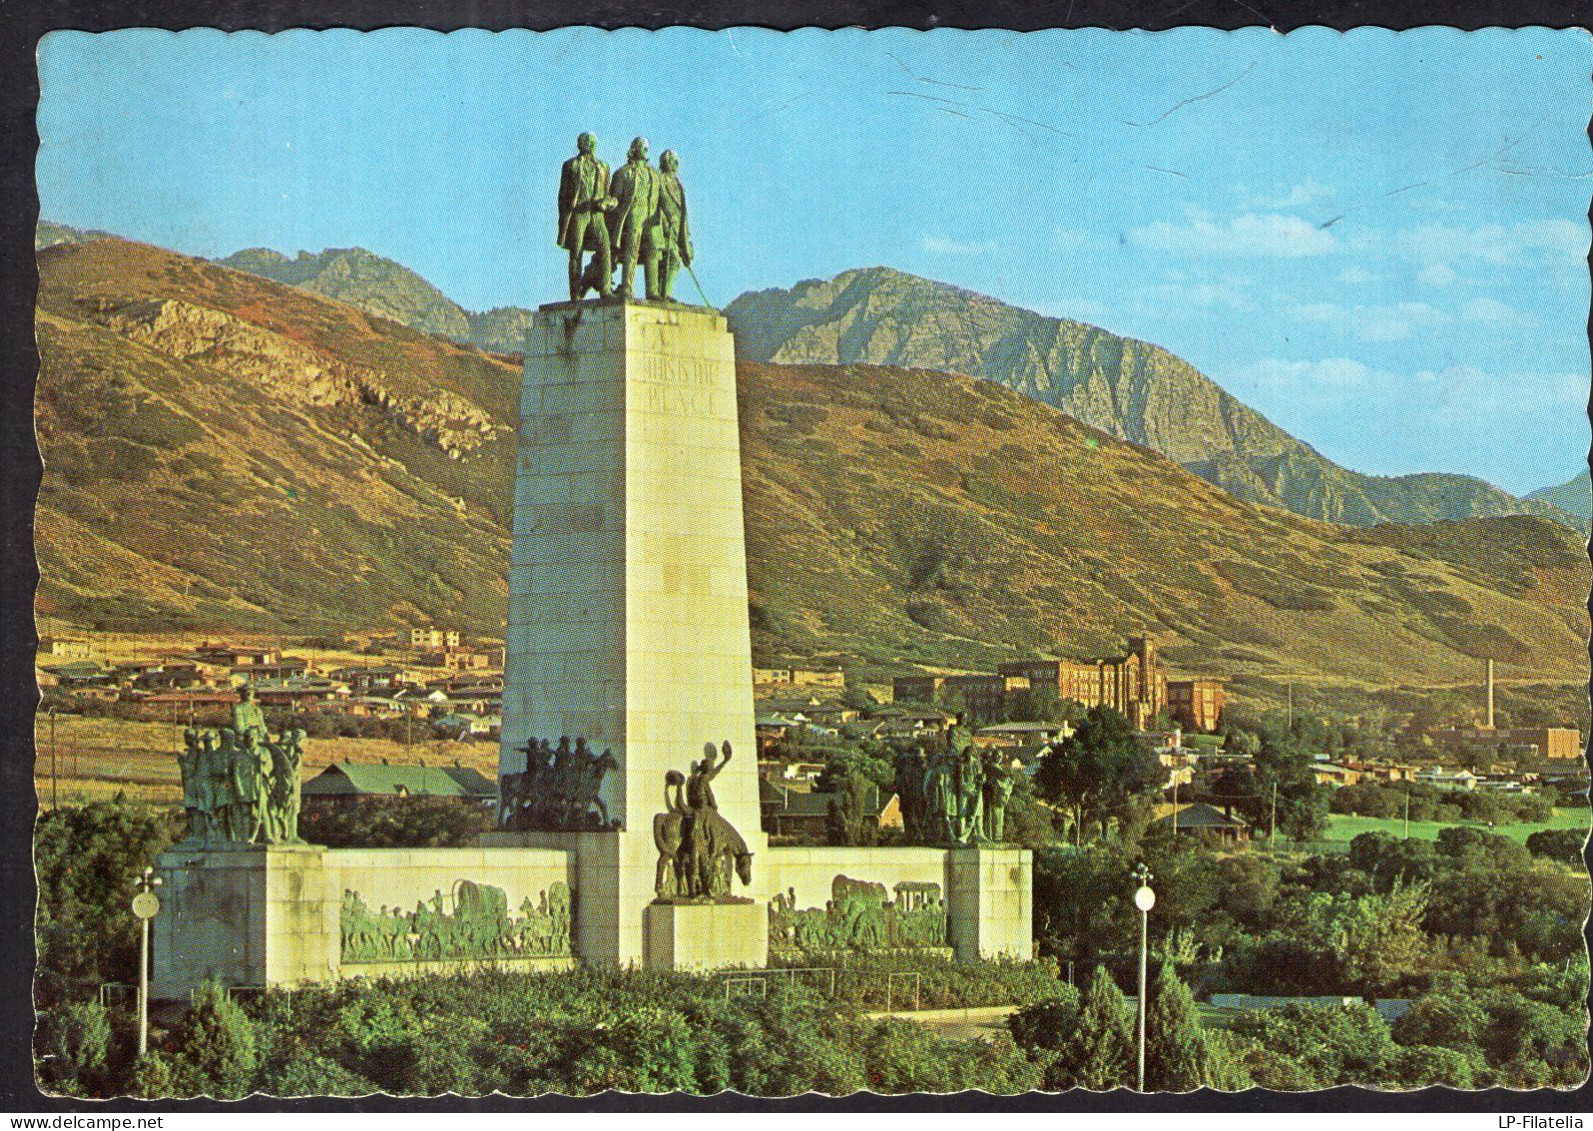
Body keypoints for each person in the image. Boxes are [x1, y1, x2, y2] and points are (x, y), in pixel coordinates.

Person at [556, 132, 614, 301]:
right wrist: (564, 220)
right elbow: (562, 195)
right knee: (576, 252)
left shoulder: (603, 166)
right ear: (580, 144)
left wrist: (607, 203)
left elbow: (609, 194)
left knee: (605, 248)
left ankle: (605, 290)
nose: (591, 145)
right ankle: (575, 293)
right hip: (578, 214)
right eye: (587, 142)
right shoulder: (570, 165)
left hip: (596, 213)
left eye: (593, 142)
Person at [608, 136, 662, 300]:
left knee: (653, 250)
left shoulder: (654, 173)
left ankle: (652, 291)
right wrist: (608, 203)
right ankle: (627, 287)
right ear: (635, 149)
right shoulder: (623, 173)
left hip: (651, 216)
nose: (645, 150)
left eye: (647, 148)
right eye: (642, 147)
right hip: (633, 214)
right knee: (632, 250)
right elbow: (615, 197)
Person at [654, 149, 693, 301]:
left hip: (677, 229)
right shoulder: (659, 179)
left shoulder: (678, 185)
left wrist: (685, 239)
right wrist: (663, 222)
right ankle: (661, 293)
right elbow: (654, 203)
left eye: (677, 162)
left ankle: (663, 293)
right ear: (666, 162)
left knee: (674, 260)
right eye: (674, 161)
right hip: (662, 227)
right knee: (671, 259)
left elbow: (683, 212)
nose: (676, 165)